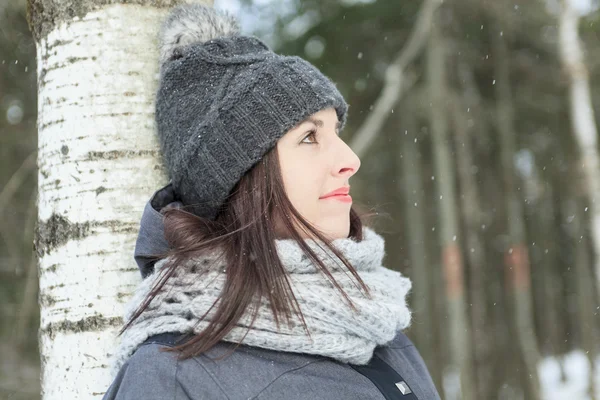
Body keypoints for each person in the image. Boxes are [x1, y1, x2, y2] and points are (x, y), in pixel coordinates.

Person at [102, 4, 441, 399]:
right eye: (310, 137)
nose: (350, 159)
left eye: (335, 131)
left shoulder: (375, 322)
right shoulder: (174, 375)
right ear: (238, 178)